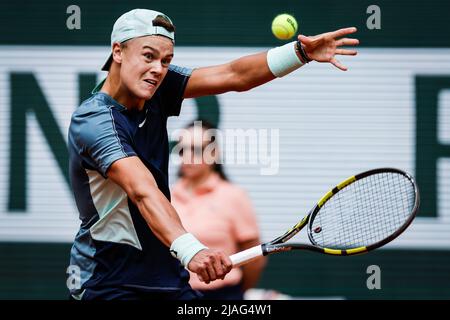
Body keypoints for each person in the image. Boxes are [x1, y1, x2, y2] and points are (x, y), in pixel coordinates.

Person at [67, 8, 359, 300]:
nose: (158, 68)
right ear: (118, 51)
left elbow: (233, 75)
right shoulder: (94, 121)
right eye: (148, 56)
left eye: (166, 60)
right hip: (107, 283)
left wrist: (300, 53)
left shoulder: (158, 87)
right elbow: (143, 191)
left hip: (168, 280)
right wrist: (192, 251)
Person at [171, 120, 266, 300]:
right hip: (176, 293)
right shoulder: (165, 196)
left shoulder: (234, 196)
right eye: (182, 150)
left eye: (197, 150)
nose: (188, 156)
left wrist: (237, 293)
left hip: (224, 295)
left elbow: (255, 258)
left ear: (214, 153)